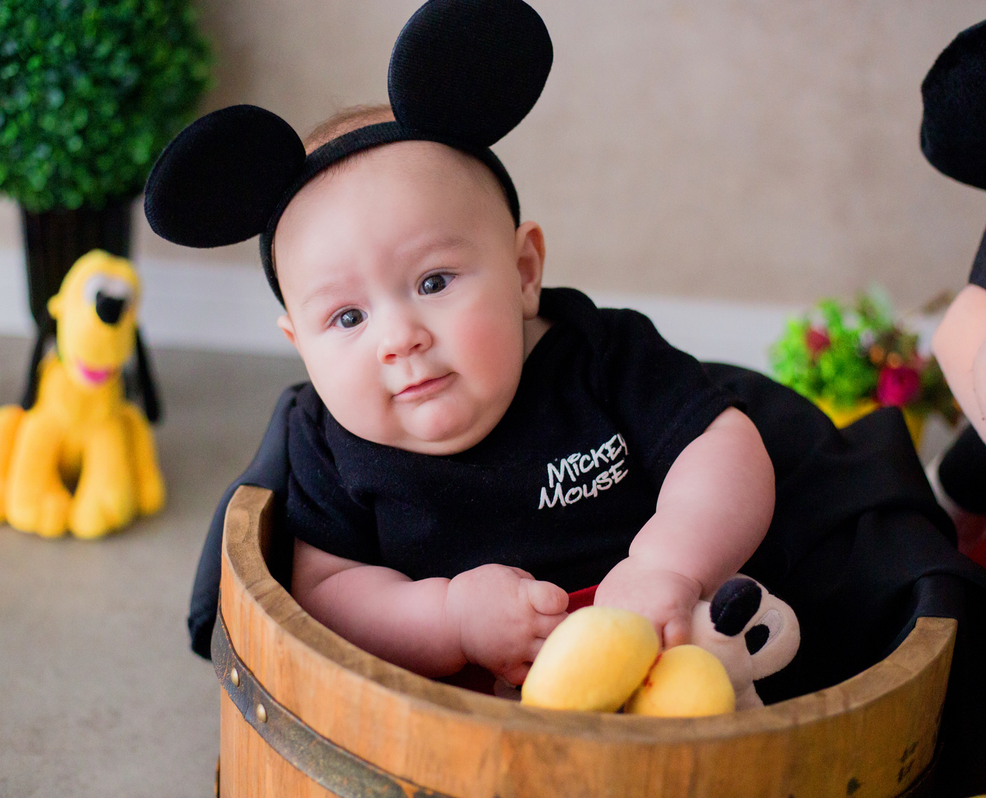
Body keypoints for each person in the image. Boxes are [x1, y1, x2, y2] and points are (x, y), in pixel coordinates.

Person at [272, 105, 775, 686]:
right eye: (347, 316)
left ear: (524, 271)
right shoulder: (324, 440)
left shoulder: (601, 354)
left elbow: (723, 447)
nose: (398, 339)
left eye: (433, 282)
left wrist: (669, 564)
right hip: (475, 703)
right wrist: (449, 619)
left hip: (662, 643)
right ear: (300, 345)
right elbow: (326, 592)